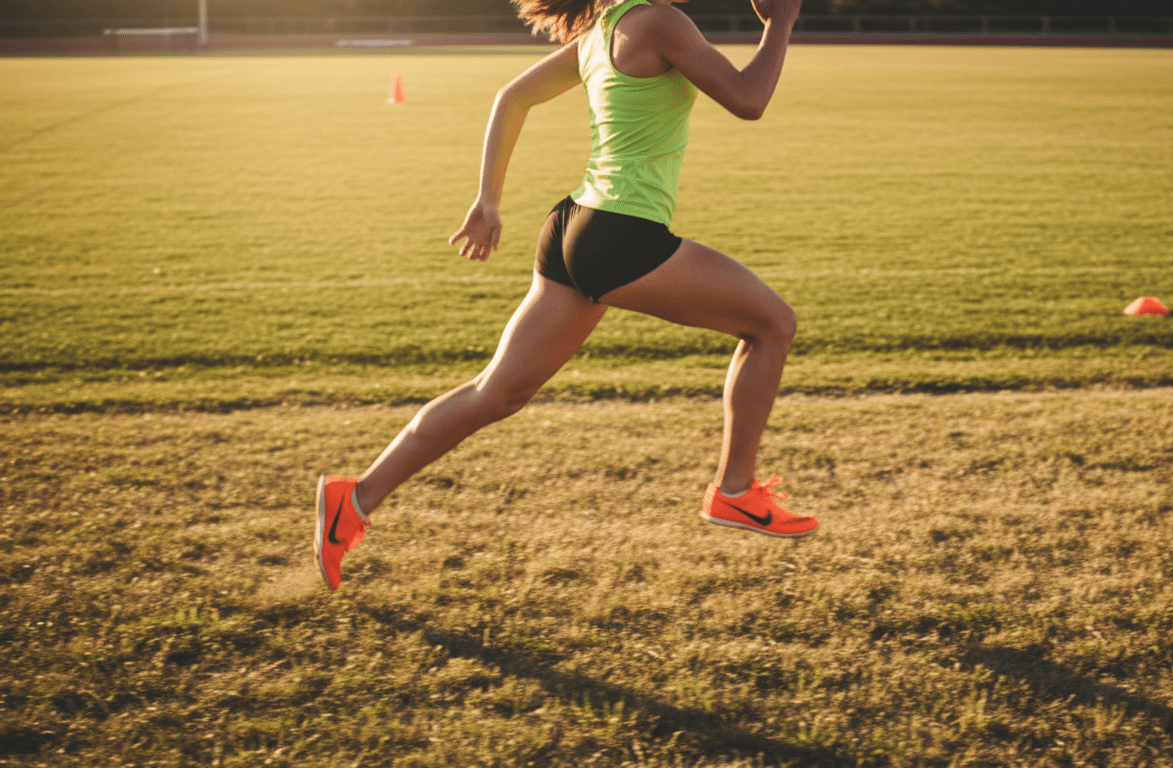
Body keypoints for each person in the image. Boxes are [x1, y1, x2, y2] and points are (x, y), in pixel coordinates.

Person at [315, 0, 815, 590]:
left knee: (496, 393)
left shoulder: (605, 28)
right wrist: (779, 23)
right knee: (771, 325)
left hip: (574, 225)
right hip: (620, 234)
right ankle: (735, 493)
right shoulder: (658, 21)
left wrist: (488, 200)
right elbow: (749, 100)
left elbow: (511, 97)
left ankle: (356, 498)